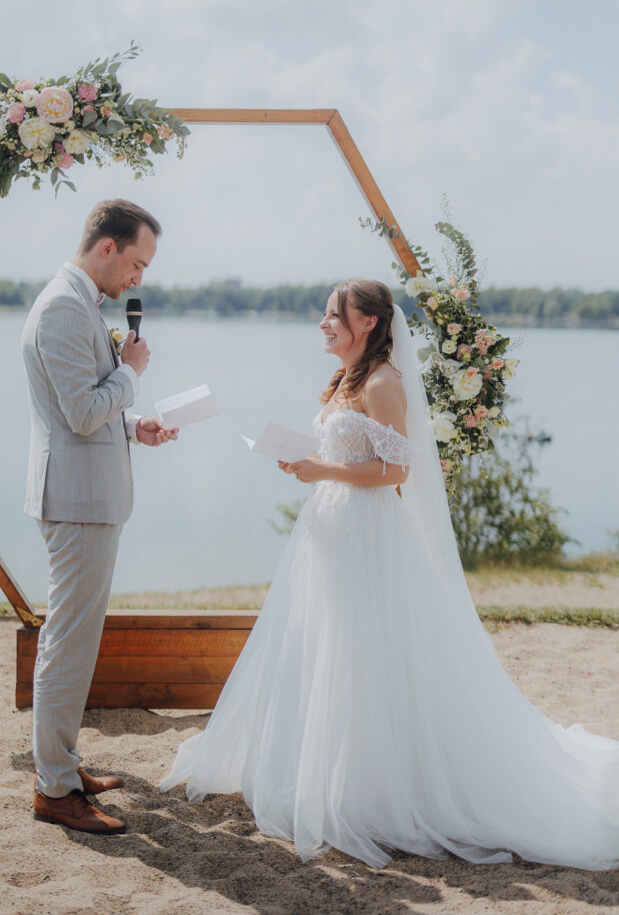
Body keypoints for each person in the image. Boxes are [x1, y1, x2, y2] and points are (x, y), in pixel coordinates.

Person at [161, 277, 619, 870]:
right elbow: (349, 455)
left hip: (367, 533)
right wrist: (306, 463)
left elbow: (396, 471)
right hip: (328, 527)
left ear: (369, 322)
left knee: (364, 651)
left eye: (334, 314)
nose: (324, 323)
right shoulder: (347, 378)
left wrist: (322, 468)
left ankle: (368, 788)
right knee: (322, 644)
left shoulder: (381, 383)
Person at [22, 199, 178, 834]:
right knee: (67, 644)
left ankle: (62, 765)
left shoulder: (79, 303)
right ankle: (55, 790)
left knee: (75, 641)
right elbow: (83, 414)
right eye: (137, 263)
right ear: (107, 247)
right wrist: (131, 375)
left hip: (85, 495)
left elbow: (85, 406)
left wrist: (133, 424)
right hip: (78, 501)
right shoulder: (63, 307)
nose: (138, 277)